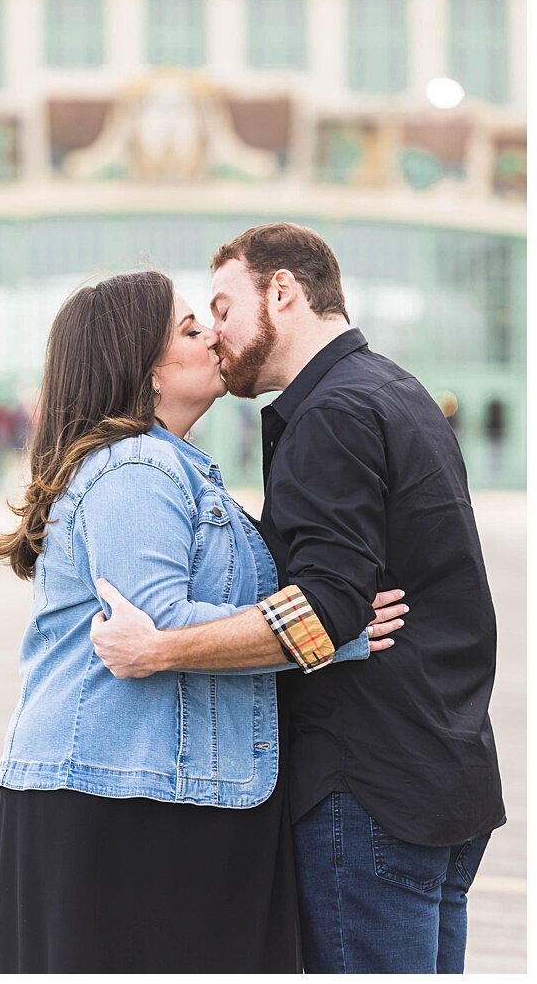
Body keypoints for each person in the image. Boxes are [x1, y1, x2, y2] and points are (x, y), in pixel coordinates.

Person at [90, 223, 504, 973]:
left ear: (282, 291)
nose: (214, 335)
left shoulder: (331, 415)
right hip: (444, 770)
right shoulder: (397, 392)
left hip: (366, 786)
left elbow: (326, 612)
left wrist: (160, 646)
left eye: (222, 307)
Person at [0, 270, 406, 973]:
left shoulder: (170, 467)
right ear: (141, 369)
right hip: (126, 803)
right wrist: (334, 628)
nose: (213, 334)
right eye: (188, 328)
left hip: (142, 790)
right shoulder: (135, 467)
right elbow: (160, 624)